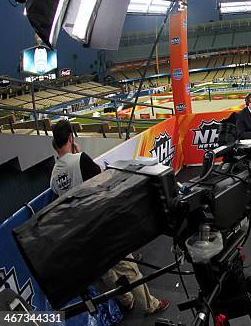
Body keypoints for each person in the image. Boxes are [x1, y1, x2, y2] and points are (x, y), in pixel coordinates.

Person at [49, 120, 169, 314]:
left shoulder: (54, 175)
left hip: (79, 232)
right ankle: (150, 305)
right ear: (71, 137)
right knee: (130, 269)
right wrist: (79, 155)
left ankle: (125, 299)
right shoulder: (80, 159)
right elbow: (102, 181)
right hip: (100, 225)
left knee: (106, 271)